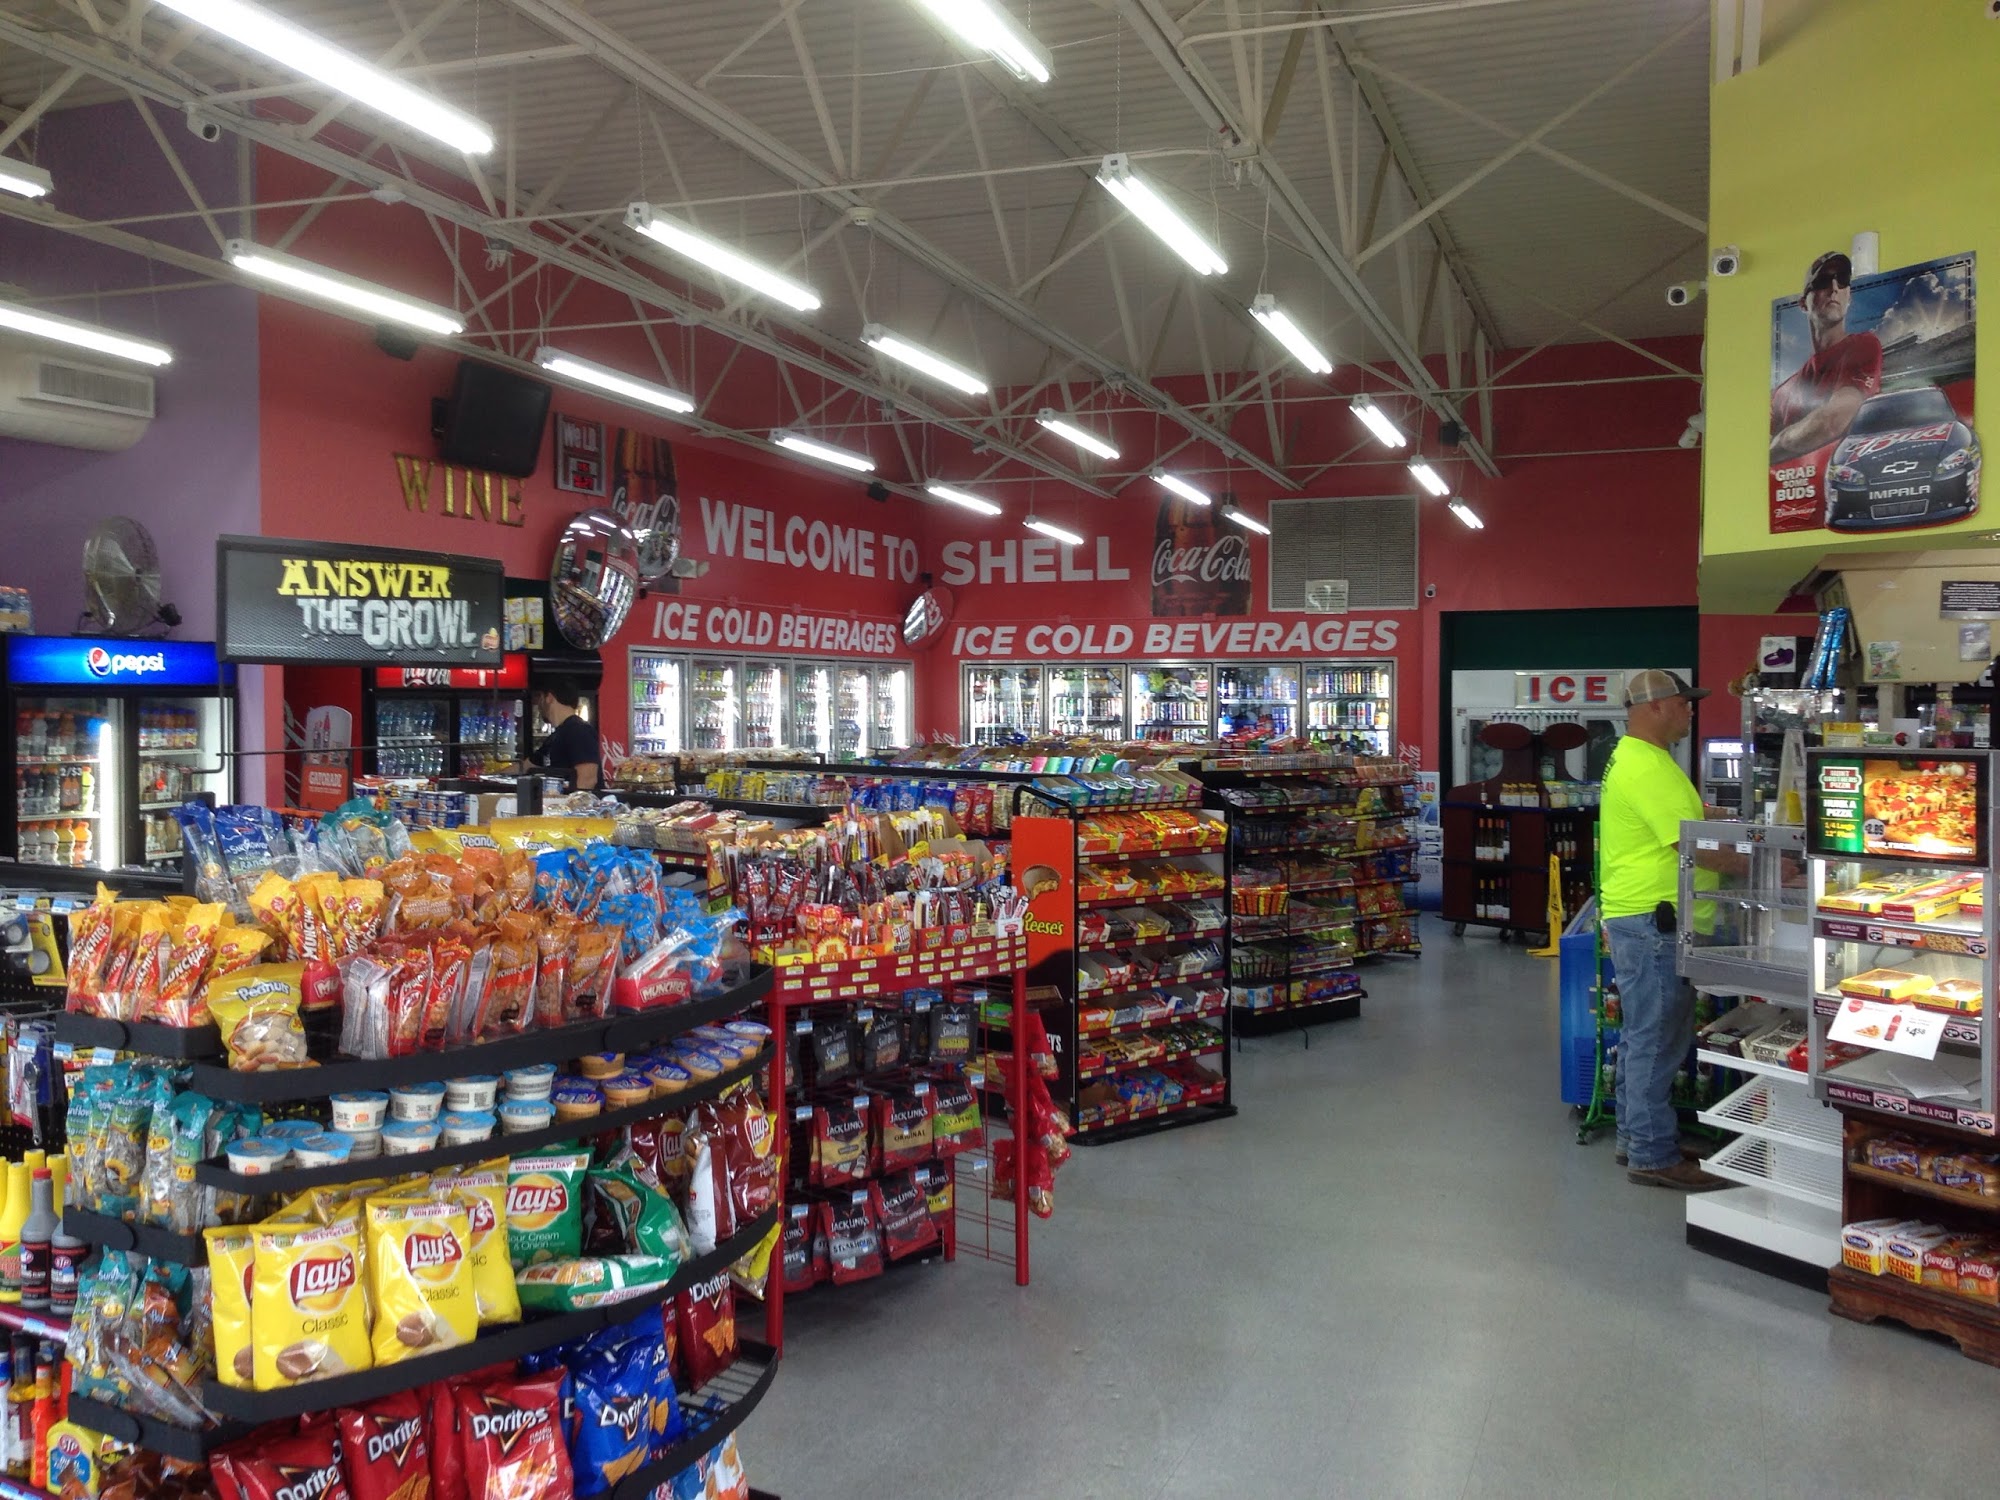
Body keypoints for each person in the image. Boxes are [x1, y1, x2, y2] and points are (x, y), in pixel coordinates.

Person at [1599, 669, 1726, 1192]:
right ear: (1655, 706)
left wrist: (1712, 814)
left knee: (1643, 1036)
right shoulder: (1648, 766)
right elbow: (1690, 848)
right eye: (1683, 702)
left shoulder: (1640, 757)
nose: (1690, 710)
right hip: (1656, 921)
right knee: (1657, 1040)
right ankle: (1652, 1156)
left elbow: (1675, 821)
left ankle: (1636, 1137)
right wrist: (1769, 865)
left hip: (1645, 917)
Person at [1770, 251, 1882, 465]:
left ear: (1849, 297)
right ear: (1804, 304)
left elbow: (1833, 420)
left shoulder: (1863, 345)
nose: (1834, 288)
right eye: (1823, 282)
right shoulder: (1784, 392)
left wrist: (1779, 443)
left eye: (1842, 280)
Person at [528, 686, 600, 790]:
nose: (538, 705)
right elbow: (526, 766)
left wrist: (570, 800)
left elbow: (588, 779)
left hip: (572, 800)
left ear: (549, 698)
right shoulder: (555, 736)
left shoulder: (579, 730)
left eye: (540, 698)